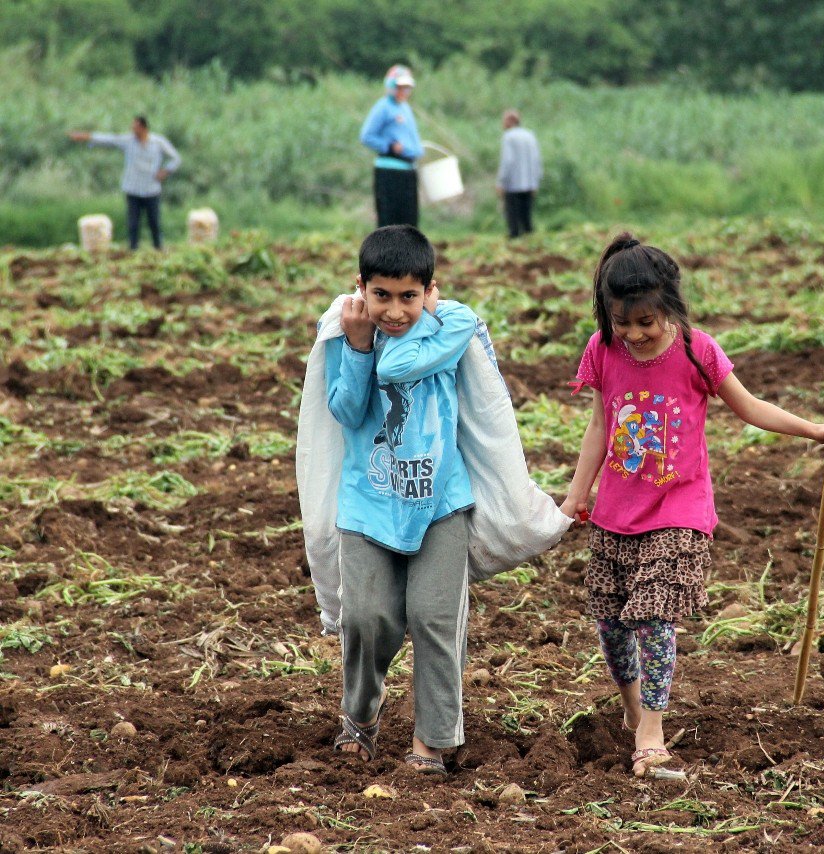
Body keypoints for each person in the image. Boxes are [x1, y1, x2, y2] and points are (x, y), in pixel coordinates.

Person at [560, 233, 824, 778]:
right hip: (617, 513)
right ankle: (631, 711)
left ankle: (652, 729)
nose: (635, 334)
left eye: (647, 322)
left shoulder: (697, 350)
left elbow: (749, 406)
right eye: (623, 322)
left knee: (652, 616)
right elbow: (600, 424)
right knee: (610, 620)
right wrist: (578, 494)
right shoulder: (603, 349)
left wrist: (815, 430)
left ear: (670, 307)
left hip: (679, 510)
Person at [324, 224, 477, 775]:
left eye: (409, 297)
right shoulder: (344, 334)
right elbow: (344, 411)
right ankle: (360, 716)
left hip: (440, 499)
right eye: (381, 295)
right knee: (366, 616)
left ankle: (432, 743)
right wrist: (358, 348)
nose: (393, 310)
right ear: (360, 286)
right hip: (369, 500)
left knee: (435, 616)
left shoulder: (452, 324)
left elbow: (400, 364)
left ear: (430, 292)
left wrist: (384, 343)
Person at [68, 116, 181, 250]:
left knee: (154, 223)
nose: (133, 130)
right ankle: (133, 250)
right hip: (132, 189)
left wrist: (165, 171)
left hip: (151, 189)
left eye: (136, 127)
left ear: (143, 128)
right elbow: (109, 139)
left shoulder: (158, 142)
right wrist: (87, 137)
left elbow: (175, 158)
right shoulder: (128, 141)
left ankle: (158, 248)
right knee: (133, 223)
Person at [360, 65, 424, 228]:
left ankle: (407, 254)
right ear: (391, 86)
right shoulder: (383, 107)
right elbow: (367, 135)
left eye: (407, 88)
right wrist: (388, 146)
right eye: (400, 87)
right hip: (389, 171)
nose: (404, 91)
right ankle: (386, 254)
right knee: (389, 221)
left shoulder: (405, 108)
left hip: (408, 170)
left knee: (409, 222)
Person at [495, 109, 542, 238]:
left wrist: (501, 182)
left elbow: (507, 161)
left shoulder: (508, 137)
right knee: (526, 217)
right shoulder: (530, 135)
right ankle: (530, 242)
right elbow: (537, 160)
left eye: (504, 120)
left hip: (513, 185)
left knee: (513, 221)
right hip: (529, 184)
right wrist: (536, 181)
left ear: (510, 121)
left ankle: (515, 243)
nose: (502, 123)